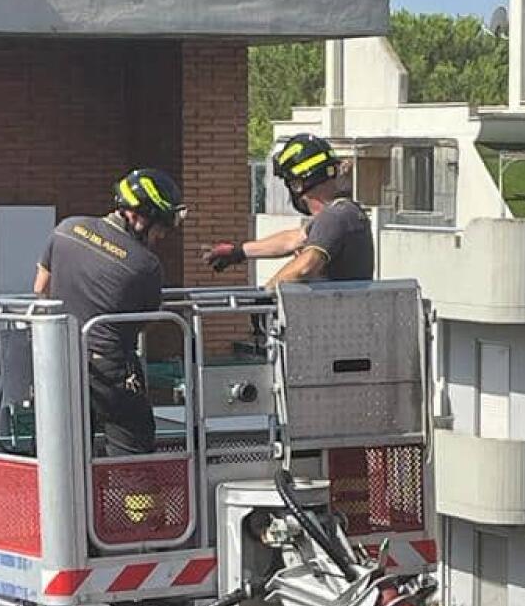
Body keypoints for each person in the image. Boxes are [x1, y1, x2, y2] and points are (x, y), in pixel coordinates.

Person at [33, 168, 187, 455]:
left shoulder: (67, 228)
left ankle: (71, 500)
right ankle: (137, 499)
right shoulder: (145, 265)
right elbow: (143, 323)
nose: (161, 236)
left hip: (59, 362)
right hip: (112, 370)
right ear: (138, 217)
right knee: (134, 455)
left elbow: (41, 287)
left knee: (64, 454)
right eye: (161, 228)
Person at [202, 132, 374, 288]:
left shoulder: (335, 217)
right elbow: (293, 239)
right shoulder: (342, 214)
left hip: (332, 319)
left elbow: (305, 266)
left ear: (297, 184)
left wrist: (268, 294)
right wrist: (240, 251)